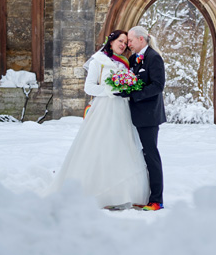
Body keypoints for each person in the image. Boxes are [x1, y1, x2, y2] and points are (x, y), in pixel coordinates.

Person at [51, 29, 149, 209]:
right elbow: (89, 87)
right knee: (102, 146)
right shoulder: (99, 60)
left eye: (126, 42)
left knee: (121, 147)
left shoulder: (126, 62)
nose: (123, 44)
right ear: (111, 42)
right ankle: (97, 192)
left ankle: (122, 192)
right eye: (120, 40)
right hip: (105, 108)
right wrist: (108, 91)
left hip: (123, 109)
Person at [125, 25, 166, 211]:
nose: (129, 44)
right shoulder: (133, 59)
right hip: (133, 115)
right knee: (137, 157)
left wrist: (135, 94)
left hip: (149, 116)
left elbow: (158, 86)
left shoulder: (154, 58)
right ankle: (140, 194)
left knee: (151, 156)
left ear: (141, 39)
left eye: (131, 41)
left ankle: (157, 200)